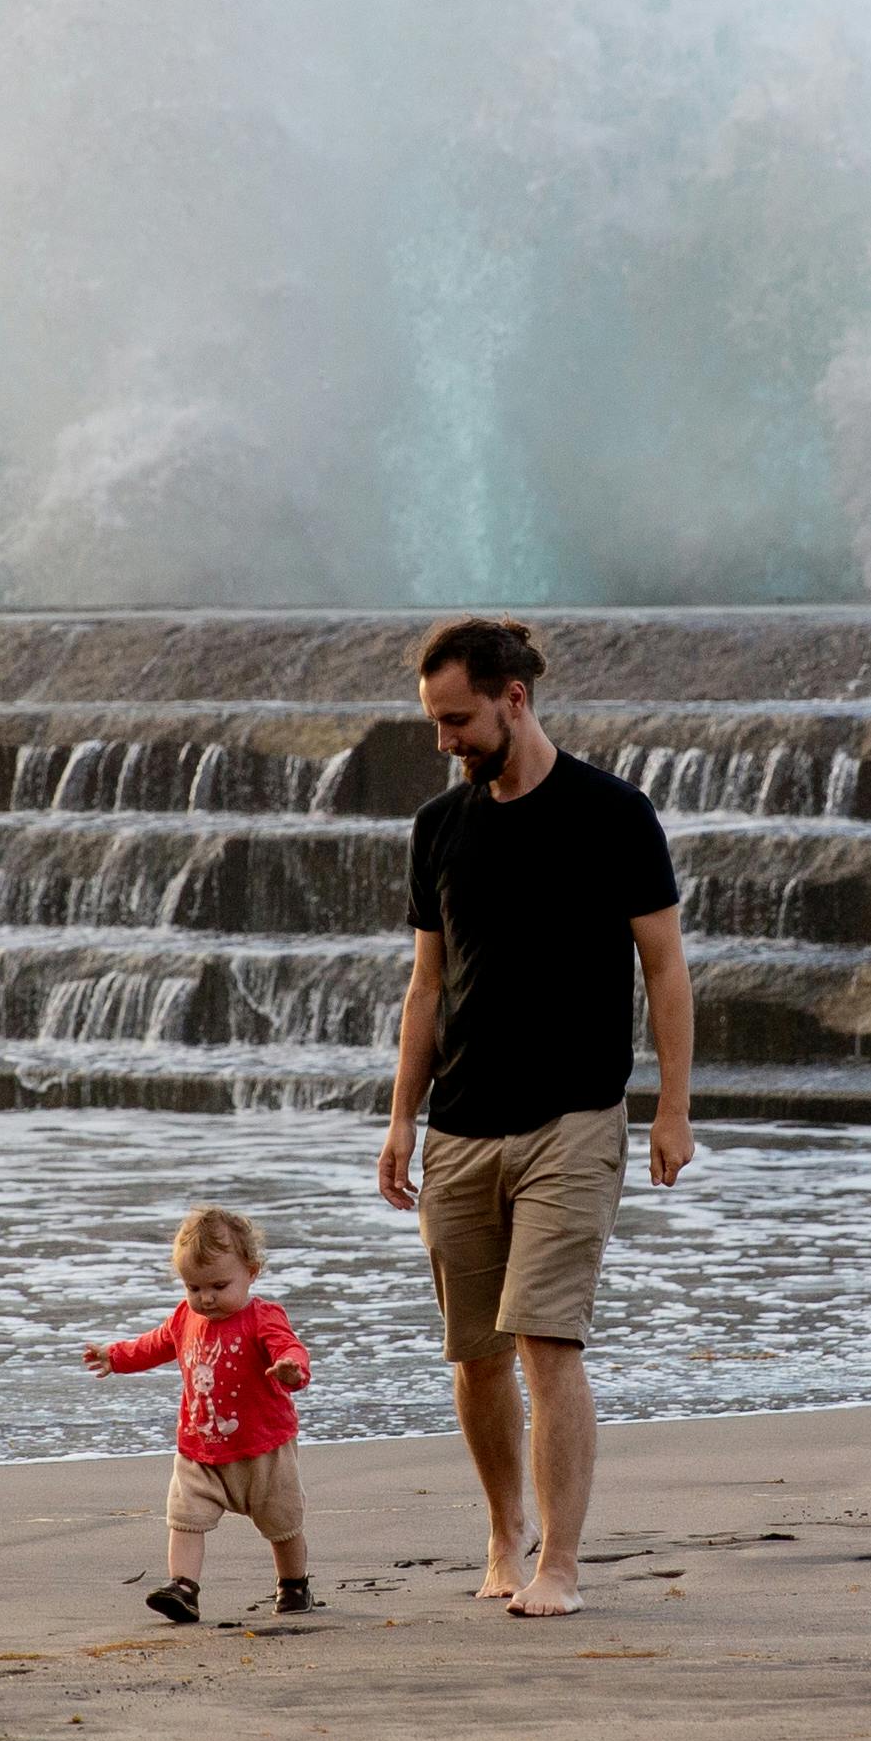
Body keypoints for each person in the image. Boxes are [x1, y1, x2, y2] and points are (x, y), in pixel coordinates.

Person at [375, 614, 694, 1619]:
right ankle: (502, 1534)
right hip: (459, 1127)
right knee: (473, 1358)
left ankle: (559, 1562)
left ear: (514, 698)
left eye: (458, 719)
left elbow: (665, 968)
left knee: (546, 1343)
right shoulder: (439, 827)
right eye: (433, 722)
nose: (444, 741)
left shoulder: (612, 814)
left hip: (573, 1119)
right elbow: (425, 986)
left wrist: (672, 1111)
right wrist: (398, 1121)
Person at [79, 1204, 318, 1623]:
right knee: (185, 1517)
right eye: (194, 1287)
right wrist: (115, 1356)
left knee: (283, 1523)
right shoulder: (185, 1316)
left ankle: (293, 1585)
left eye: (219, 1285)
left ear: (252, 1271)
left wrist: (292, 1370)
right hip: (199, 1447)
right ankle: (183, 1587)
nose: (205, 1298)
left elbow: (290, 1348)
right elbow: (154, 1344)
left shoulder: (263, 1317)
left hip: (264, 1447)